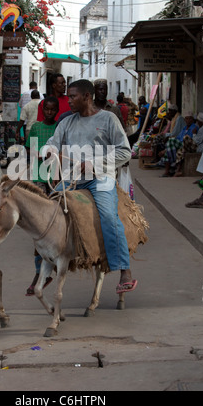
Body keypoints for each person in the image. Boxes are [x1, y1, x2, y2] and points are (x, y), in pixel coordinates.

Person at [44, 79, 137, 295]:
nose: (69, 101)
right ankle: (44, 266)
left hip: (100, 178)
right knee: (48, 209)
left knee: (108, 215)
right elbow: (53, 141)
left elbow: (125, 152)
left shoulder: (108, 119)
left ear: (87, 96)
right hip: (73, 178)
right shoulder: (67, 122)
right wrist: (48, 150)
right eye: (68, 97)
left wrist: (94, 164)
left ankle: (124, 270)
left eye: (73, 96)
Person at [24, 96, 60, 296]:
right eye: (46, 109)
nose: (49, 112)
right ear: (42, 109)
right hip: (39, 178)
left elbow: (62, 150)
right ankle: (39, 272)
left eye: (52, 109)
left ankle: (53, 264)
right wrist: (41, 153)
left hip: (54, 179)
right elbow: (30, 148)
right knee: (37, 227)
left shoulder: (59, 127)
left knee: (55, 223)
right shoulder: (37, 128)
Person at [160, 112, 198, 177]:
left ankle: (173, 163)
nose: (188, 120)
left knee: (171, 141)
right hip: (179, 144)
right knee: (169, 146)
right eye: (186, 119)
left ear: (192, 120)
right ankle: (167, 172)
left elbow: (191, 140)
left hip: (187, 145)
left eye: (190, 119)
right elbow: (178, 137)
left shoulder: (194, 127)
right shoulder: (184, 127)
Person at [174, 113, 203, 177]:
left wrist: (194, 134)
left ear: (200, 121)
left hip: (202, 148)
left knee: (186, 138)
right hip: (200, 146)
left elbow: (197, 141)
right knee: (182, 150)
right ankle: (178, 169)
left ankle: (178, 170)